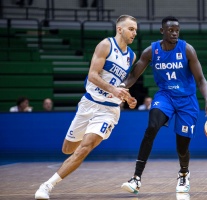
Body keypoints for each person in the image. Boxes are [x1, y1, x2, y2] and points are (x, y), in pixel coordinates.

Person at [34, 15, 138, 199]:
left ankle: (46, 186)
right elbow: (92, 75)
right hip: (89, 104)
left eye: (136, 30)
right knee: (67, 149)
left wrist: (126, 96)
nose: (134, 33)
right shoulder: (105, 45)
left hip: (108, 111)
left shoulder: (131, 56)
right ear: (120, 29)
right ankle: (71, 159)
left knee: (85, 148)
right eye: (131, 29)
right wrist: (113, 89)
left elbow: (119, 84)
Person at [121, 16, 207, 195]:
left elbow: (200, 79)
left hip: (187, 100)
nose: (174, 33)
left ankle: (183, 173)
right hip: (165, 96)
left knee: (182, 147)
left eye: (177, 30)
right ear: (162, 31)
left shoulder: (187, 49)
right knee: (151, 127)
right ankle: (136, 178)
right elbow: (133, 76)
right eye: (170, 30)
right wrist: (120, 88)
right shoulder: (151, 51)